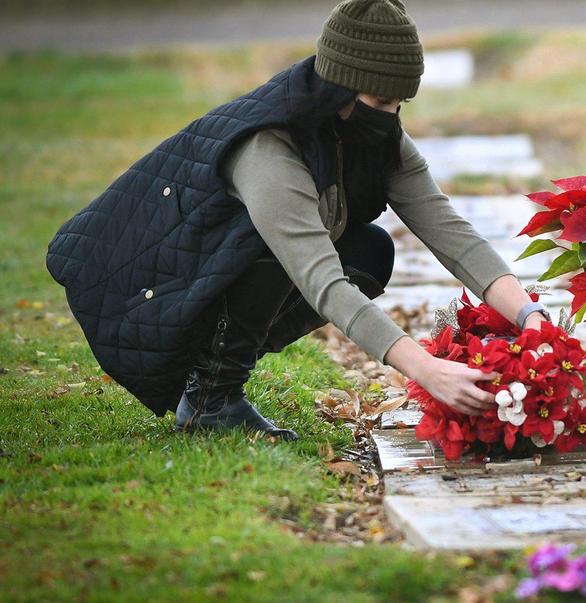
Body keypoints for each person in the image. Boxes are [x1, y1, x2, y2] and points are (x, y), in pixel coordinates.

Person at [45, 0, 550, 442]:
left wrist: (527, 315)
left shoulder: (375, 135)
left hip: (208, 277)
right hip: (150, 293)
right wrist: (426, 371)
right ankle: (210, 397)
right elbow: (320, 279)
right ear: (339, 89)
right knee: (277, 248)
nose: (390, 115)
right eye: (378, 102)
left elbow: (450, 231)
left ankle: (214, 379)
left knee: (370, 251)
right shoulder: (269, 147)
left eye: (399, 104)